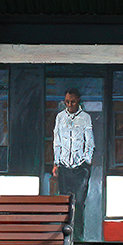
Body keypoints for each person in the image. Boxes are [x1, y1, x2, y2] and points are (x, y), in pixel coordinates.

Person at [51, 89, 94, 231]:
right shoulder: (60, 117)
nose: (69, 104)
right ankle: (64, 232)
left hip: (80, 167)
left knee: (80, 203)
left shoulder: (85, 117)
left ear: (78, 101)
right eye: (67, 101)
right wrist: (56, 163)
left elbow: (90, 142)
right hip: (64, 166)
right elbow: (56, 142)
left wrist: (86, 160)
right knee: (64, 203)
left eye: (72, 101)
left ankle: (79, 234)